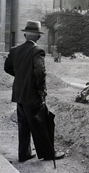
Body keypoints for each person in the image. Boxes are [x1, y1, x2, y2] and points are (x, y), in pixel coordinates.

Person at [4, 20, 65, 162]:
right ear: (38, 37)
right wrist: (42, 92)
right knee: (41, 124)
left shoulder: (15, 50)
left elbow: (7, 68)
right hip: (33, 95)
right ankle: (49, 154)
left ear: (25, 35)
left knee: (23, 125)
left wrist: (21, 78)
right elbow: (40, 73)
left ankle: (24, 154)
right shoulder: (38, 51)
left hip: (19, 94)